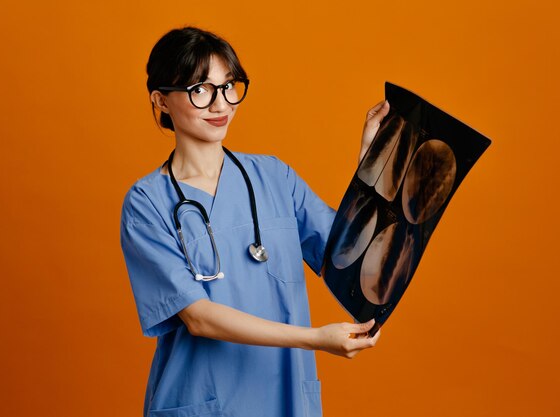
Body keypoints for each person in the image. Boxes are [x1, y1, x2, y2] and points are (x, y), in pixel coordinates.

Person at [120, 26, 390, 417]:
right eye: (200, 89)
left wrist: (372, 171)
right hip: (203, 400)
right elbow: (198, 317)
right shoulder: (147, 203)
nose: (221, 104)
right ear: (161, 101)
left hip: (286, 398)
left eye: (229, 86)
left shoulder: (275, 177)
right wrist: (314, 338)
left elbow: (352, 259)